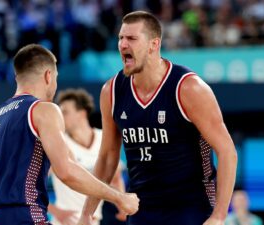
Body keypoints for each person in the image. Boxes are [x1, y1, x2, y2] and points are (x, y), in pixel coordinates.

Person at [79, 11, 237, 225]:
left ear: (154, 44)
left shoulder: (188, 88)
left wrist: (219, 216)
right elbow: (108, 157)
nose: (123, 45)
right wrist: (87, 212)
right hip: (142, 208)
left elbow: (227, 151)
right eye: (120, 38)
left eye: (132, 38)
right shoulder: (112, 91)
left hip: (191, 207)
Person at [0, 44, 139, 225]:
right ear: (48, 76)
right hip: (22, 216)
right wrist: (119, 197)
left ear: (18, 77)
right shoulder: (42, 110)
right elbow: (66, 171)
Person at [48, 88, 126, 225]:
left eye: (65, 112)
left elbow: (115, 177)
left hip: (93, 221)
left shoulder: (103, 138)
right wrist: (56, 212)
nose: (60, 116)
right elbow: (28, 185)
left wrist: (122, 205)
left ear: (82, 114)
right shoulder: (58, 144)